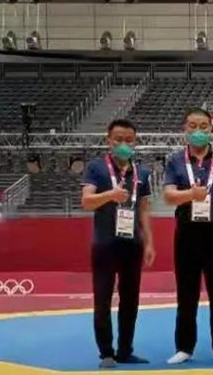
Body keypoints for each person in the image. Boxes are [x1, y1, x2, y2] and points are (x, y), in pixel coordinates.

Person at [163, 108, 213, 365]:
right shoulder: (175, 160)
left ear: (211, 129)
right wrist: (191, 195)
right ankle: (184, 347)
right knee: (186, 293)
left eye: (203, 126)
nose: (198, 131)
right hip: (187, 233)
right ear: (185, 129)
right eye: (193, 126)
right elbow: (168, 196)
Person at [81, 119, 155, 369]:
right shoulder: (96, 168)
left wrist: (149, 242)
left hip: (132, 244)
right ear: (109, 141)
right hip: (104, 244)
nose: (124, 144)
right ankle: (106, 353)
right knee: (102, 299)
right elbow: (86, 201)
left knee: (130, 300)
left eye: (129, 140)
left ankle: (125, 350)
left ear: (135, 142)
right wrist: (110, 195)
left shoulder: (142, 172)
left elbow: (143, 209)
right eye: (119, 139)